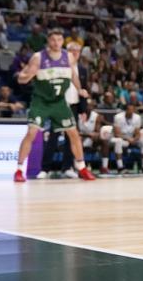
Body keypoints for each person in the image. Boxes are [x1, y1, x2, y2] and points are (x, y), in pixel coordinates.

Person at [13, 28, 95, 182]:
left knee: (74, 134)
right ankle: (18, 170)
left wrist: (79, 89)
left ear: (63, 41)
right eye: (53, 40)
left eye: (59, 40)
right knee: (31, 133)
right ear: (48, 42)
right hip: (41, 102)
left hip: (59, 102)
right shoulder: (38, 58)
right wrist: (28, 76)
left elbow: (73, 75)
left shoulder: (68, 57)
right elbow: (21, 79)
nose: (56, 43)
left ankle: (82, 168)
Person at [109, 99, 143, 173]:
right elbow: (117, 133)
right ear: (126, 110)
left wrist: (134, 139)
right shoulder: (118, 117)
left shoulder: (137, 117)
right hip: (121, 138)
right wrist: (128, 139)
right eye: (129, 109)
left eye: (132, 109)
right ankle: (120, 167)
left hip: (132, 138)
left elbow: (137, 132)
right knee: (118, 142)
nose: (131, 111)